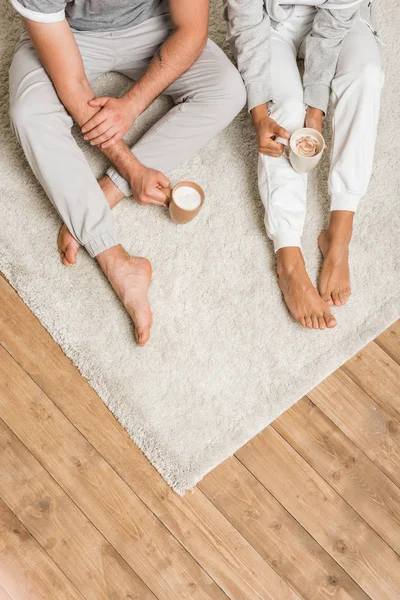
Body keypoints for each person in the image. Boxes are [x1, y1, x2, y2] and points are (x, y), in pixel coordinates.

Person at [8, 0, 246, 346]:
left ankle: (106, 192)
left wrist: (132, 106)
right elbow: (71, 83)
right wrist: (133, 168)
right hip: (69, 35)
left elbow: (192, 31)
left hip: (154, 26)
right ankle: (117, 262)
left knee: (227, 89)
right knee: (29, 114)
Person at [225, 0, 384, 330]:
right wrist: (259, 115)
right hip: (269, 20)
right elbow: (247, 20)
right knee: (286, 107)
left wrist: (317, 107)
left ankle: (339, 233)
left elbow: (333, 26)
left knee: (366, 76)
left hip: (343, 18)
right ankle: (289, 259)